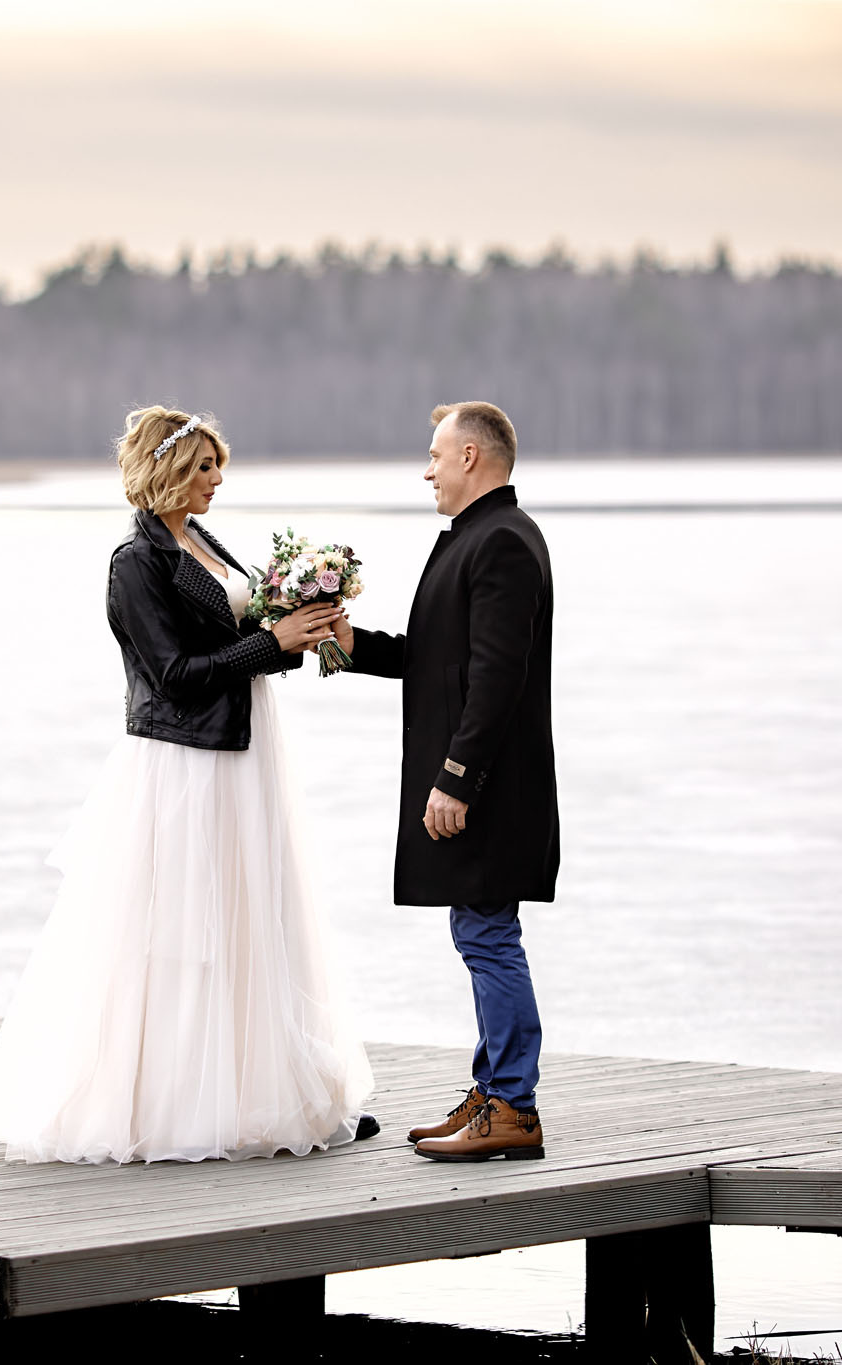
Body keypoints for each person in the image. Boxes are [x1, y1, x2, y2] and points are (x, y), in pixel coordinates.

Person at [0, 406, 377, 1163]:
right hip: (185, 761)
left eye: (220, 465)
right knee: (182, 926)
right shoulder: (137, 562)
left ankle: (270, 1089)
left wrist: (300, 628)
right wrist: (269, 641)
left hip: (244, 751)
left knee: (253, 915)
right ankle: (170, 1103)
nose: (218, 480)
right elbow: (174, 676)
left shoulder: (201, 538)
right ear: (165, 472)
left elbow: (238, 642)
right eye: (203, 468)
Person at [332, 401, 559, 1162]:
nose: (426, 469)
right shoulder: (475, 539)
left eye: (435, 454)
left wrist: (456, 778)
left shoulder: (504, 545)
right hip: (483, 782)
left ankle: (514, 1104)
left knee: (489, 934)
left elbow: (496, 677)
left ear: (471, 457)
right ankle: (494, 1089)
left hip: (492, 786)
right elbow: (436, 659)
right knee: (480, 931)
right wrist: (348, 643)